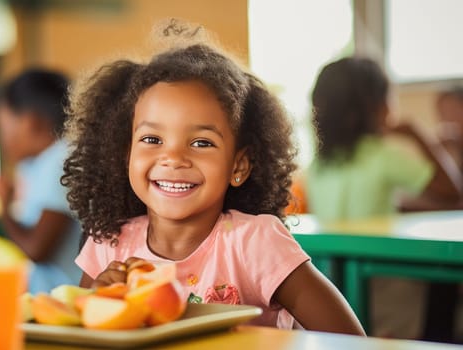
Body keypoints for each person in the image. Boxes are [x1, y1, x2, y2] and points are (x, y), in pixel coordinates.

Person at [61, 20, 364, 335]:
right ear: (125, 155)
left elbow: (349, 339)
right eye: (152, 139)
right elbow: (80, 336)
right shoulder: (109, 244)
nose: (174, 158)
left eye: (201, 143)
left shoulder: (254, 242)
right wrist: (101, 298)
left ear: (239, 166)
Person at [306, 57, 463, 339]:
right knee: (446, 279)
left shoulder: (318, 166)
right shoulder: (383, 154)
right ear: (377, 107)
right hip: (387, 298)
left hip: (334, 293)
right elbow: (454, 192)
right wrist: (417, 133)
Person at [0, 68, 82, 294]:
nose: (4, 139)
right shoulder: (45, 160)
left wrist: (3, 207)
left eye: (4, 128)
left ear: (30, 122)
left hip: (62, 295)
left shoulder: (59, 161)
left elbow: (36, 250)